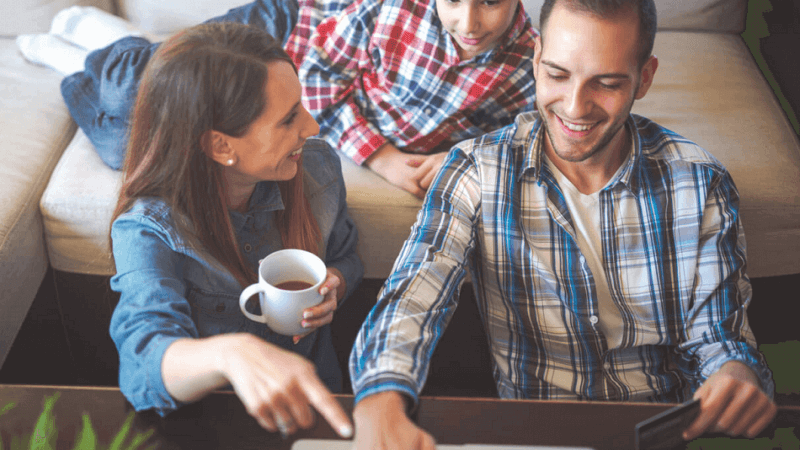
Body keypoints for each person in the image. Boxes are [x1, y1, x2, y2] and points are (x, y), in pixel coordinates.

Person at [348, 0, 777, 448]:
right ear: (535, 60)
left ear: (645, 78)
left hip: (664, 432)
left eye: (607, 84)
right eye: (556, 75)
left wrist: (736, 374)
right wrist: (380, 392)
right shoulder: (476, 170)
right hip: (535, 434)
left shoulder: (700, 181)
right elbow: (413, 295)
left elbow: (719, 336)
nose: (574, 108)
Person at [107, 22, 362, 439]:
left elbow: (347, 258)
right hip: (212, 427)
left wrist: (337, 282)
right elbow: (142, 367)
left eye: (301, 106)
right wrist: (232, 353)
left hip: (317, 410)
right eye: (288, 120)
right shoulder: (147, 229)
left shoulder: (317, 169)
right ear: (222, 146)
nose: (312, 127)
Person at [55, 0, 538, 198]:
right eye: (454, 1)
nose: (470, 23)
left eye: (490, 1)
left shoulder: (527, 64)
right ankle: (109, 42)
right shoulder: (394, 11)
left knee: (126, 147)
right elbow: (323, 77)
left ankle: (76, 75)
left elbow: (520, 137)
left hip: (284, 90)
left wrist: (463, 156)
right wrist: (383, 157)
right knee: (125, 90)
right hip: (285, 29)